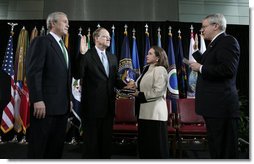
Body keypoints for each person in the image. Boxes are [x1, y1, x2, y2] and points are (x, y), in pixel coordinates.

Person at [189, 13, 240, 159]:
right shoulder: (215, 44)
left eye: (204, 27)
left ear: (216, 26)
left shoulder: (228, 41)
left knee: (224, 150)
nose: (201, 30)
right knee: (216, 149)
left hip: (221, 108)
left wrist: (200, 68)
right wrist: (197, 54)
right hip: (215, 108)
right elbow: (211, 63)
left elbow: (227, 69)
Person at [76, 27, 127, 158]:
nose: (109, 38)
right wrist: (81, 54)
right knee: (91, 147)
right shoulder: (87, 55)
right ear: (96, 39)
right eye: (105, 36)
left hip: (108, 109)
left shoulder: (112, 57)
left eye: (109, 36)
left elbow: (114, 79)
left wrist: (127, 85)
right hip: (91, 109)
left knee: (105, 146)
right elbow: (77, 74)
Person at [26, 11, 71, 158]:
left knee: (55, 149)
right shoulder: (42, 41)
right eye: (64, 21)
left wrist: (68, 99)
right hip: (44, 107)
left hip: (61, 108)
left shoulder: (64, 47)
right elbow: (34, 72)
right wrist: (37, 99)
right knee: (39, 148)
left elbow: (64, 77)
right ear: (53, 23)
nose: (68, 24)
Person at [127, 46, 170, 159]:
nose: (147, 55)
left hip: (155, 115)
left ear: (157, 58)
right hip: (143, 113)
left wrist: (139, 94)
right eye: (148, 53)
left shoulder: (160, 69)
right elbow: (141, 85)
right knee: (146, 147)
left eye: (150, 53)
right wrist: (133, 84)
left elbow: (158, 91)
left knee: (156, 148)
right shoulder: (147, 68)